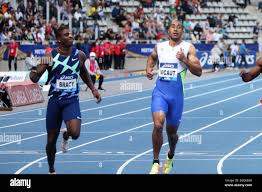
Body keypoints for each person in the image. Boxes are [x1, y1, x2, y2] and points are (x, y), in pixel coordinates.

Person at [29, 24, 102, 174]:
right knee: (50, 141)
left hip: (71, 101)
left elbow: (83, 72)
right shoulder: (50, 56)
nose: (70, 36)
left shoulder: (80, 54)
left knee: (75, 133)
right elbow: (35, 78)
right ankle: (51, 169)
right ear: (59, 40)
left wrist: (94, 89)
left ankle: (66, 135)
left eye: (70, 34)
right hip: (55, 101)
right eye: (66, 34)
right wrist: (33, 68)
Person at [146, 19, 202, 174]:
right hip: (160, 93)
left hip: (176, 97)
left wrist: (184, 60)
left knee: (172, 133)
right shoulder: (160, 46)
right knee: (158, 125)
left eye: (179, 27)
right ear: (168, 30)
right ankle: (155, 162)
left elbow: (198, 71)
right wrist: (148, 69)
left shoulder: (188, 48)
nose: (175, 29)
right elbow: (152, 57)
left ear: (182, 31)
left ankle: (170, 155)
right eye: (172, 26)